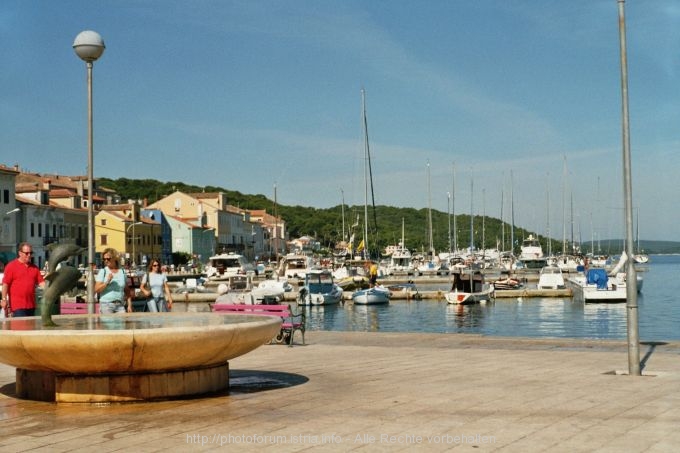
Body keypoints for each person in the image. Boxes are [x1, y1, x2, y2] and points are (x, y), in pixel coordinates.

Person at [1, 243, 45, 317]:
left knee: (31, 328)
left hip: (31, 305)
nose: (29, 255)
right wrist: (4, 299)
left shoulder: (34, 268)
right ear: (20, 253)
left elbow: (41, 283)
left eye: (31, 253)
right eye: (26, 253)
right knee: (21, 327)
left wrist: (52, 289)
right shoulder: (11, 266)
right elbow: (5, 284)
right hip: (17, 306)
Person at [95, 248, 132, 314]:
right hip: (106, 305)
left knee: (121, 324)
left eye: (108, 259)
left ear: (114, 258)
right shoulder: (103, 271)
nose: (106, 261)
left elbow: (127, 290)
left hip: (120, 305)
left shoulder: (122, 272)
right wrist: (107, 282)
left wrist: (129, 305)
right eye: (104, 259)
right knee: (108, 324)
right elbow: (97, 289)